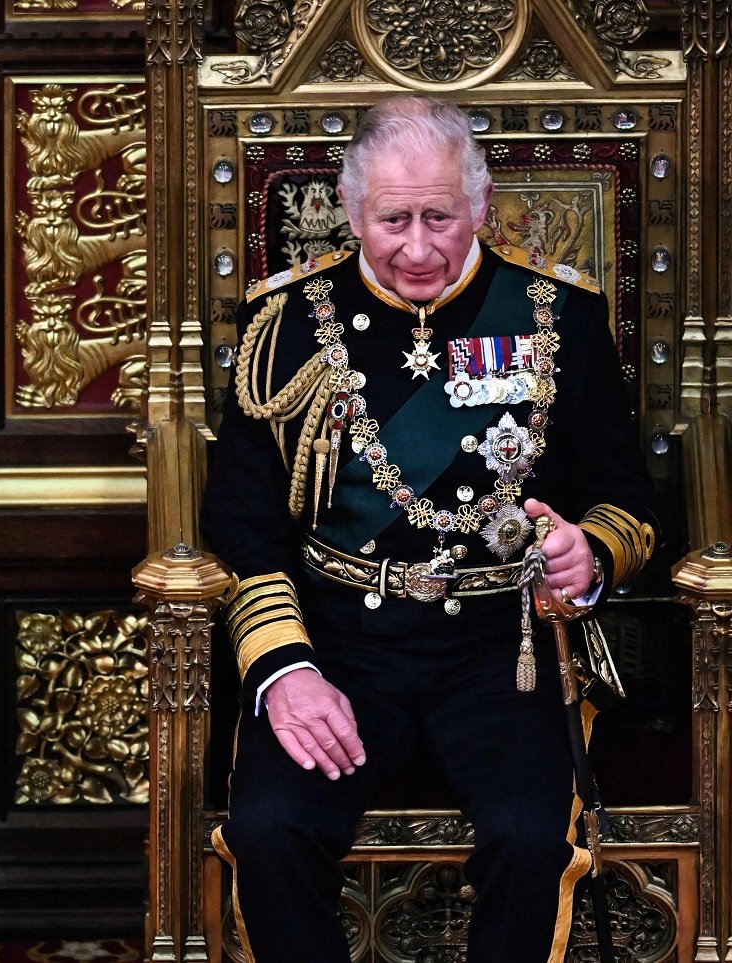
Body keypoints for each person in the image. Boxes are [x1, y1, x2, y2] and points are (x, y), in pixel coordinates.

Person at [200, 95, 658, 963]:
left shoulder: (559, 317)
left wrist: (587, 553)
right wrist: (284, 668)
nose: (418, 247)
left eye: (440, 217)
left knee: (530, 840)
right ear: (349, 207)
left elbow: (629, 502)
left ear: (480, 206)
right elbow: (240, 518)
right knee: (267, 829)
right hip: (336, 643)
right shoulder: (290, 324)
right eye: (393, 219)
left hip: (505, 648)